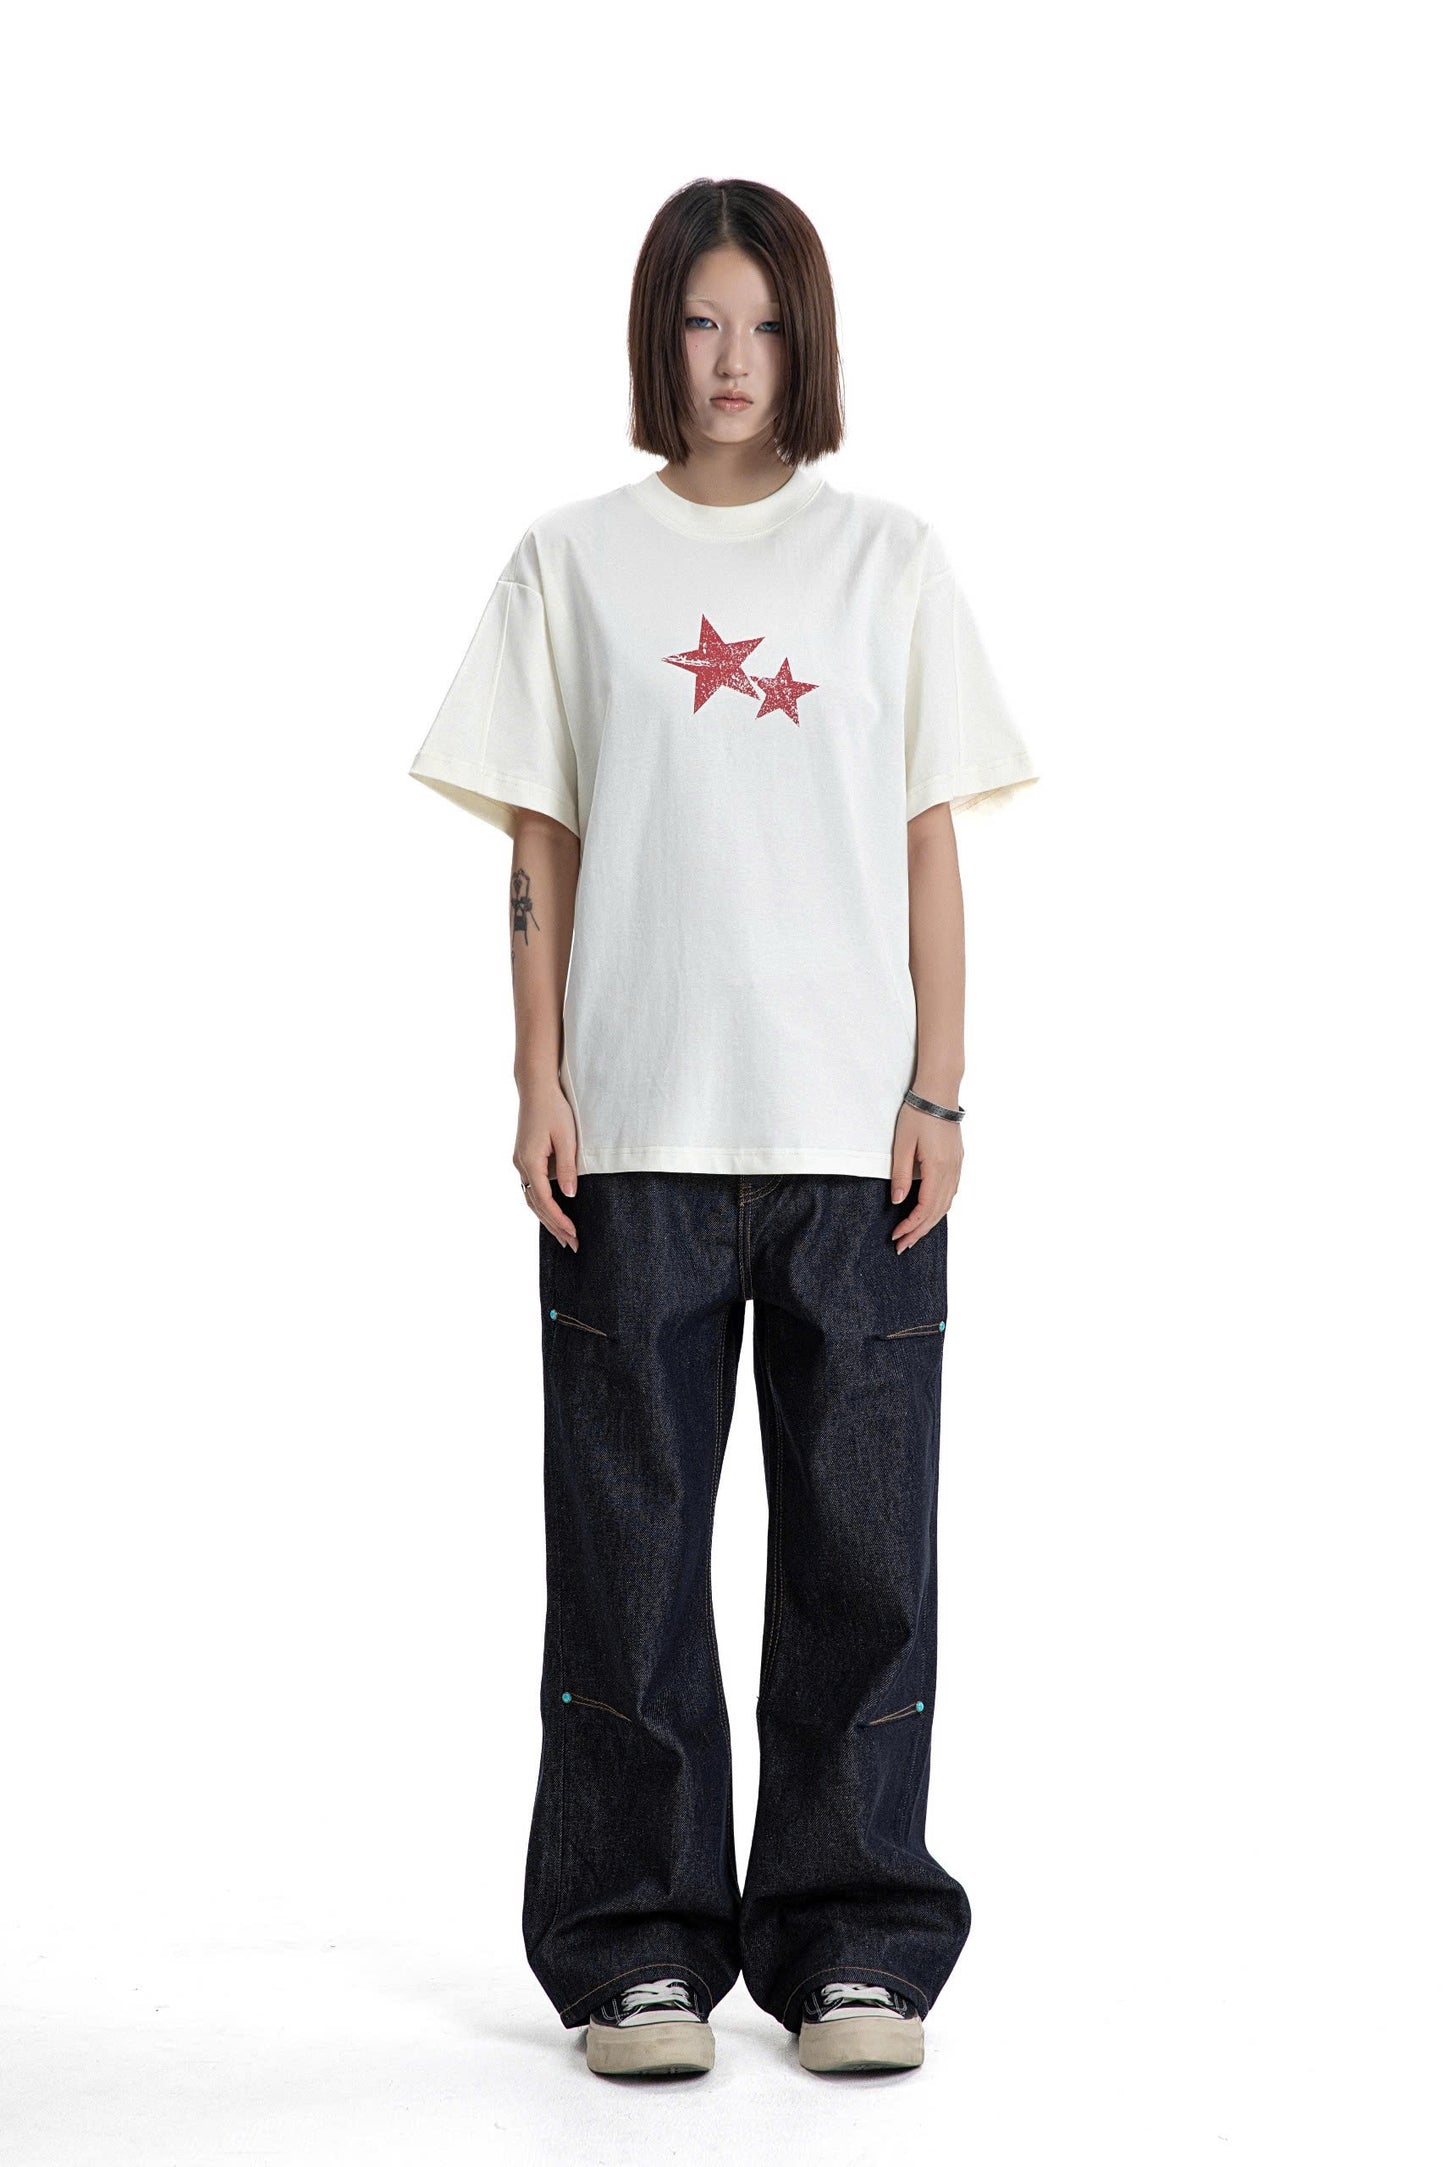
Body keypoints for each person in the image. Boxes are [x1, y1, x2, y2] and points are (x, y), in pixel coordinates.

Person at [407, 176, 1039, 2081]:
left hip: (856, 1145)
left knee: (865, 1561)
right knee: (628, 1561)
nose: (732, 360)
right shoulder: (572, 563)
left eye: (763, 324)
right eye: (700, 321)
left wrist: (939, 1085)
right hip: (637, 1138)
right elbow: (541, 834)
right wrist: (537, 1074)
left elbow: (928, 840)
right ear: (656, 339)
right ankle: (634, 1951)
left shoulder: (887, 561)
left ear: (806, 341)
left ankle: (854, 1944)